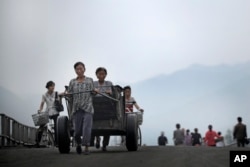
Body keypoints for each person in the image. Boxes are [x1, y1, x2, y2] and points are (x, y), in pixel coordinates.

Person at [66, 62, 96, 155]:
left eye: (81, 68)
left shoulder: (90, 80)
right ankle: (78, 143)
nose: (79, 70)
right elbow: (70, 95)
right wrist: (66, 94)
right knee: (77, 130)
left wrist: (95, 91)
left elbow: (93, 92)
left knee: (87, 127)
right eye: (77, 69)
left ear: (84, 69)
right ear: (75, 71)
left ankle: (86, 147)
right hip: (76, 108)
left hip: (88, 108)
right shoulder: (72, 82)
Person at [94, 67, 113, 152]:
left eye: (103, 74)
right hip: (95, 105)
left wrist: (109, 92)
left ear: (105, 75)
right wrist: (94, 92)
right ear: (96, 75)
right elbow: (91, 93)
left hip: (107, 107)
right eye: (99, 74)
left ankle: (104, 145)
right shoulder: (93, 83)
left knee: (107, 128)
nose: (101, 75)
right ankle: (97, 138)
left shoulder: (109, 83)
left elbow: (112, 93)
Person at [36, 81, 60, 147]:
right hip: (48, 111)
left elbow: (59, 100)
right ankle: (37, 142)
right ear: (48, 87)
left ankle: (57, 143)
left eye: (54, 86)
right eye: (52, 86)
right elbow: (42, 104)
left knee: (56, 127)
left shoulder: (56, 93)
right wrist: (40, 110)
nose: (53, 87)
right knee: (41, 125)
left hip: (55, 111)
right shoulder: (44, 95)